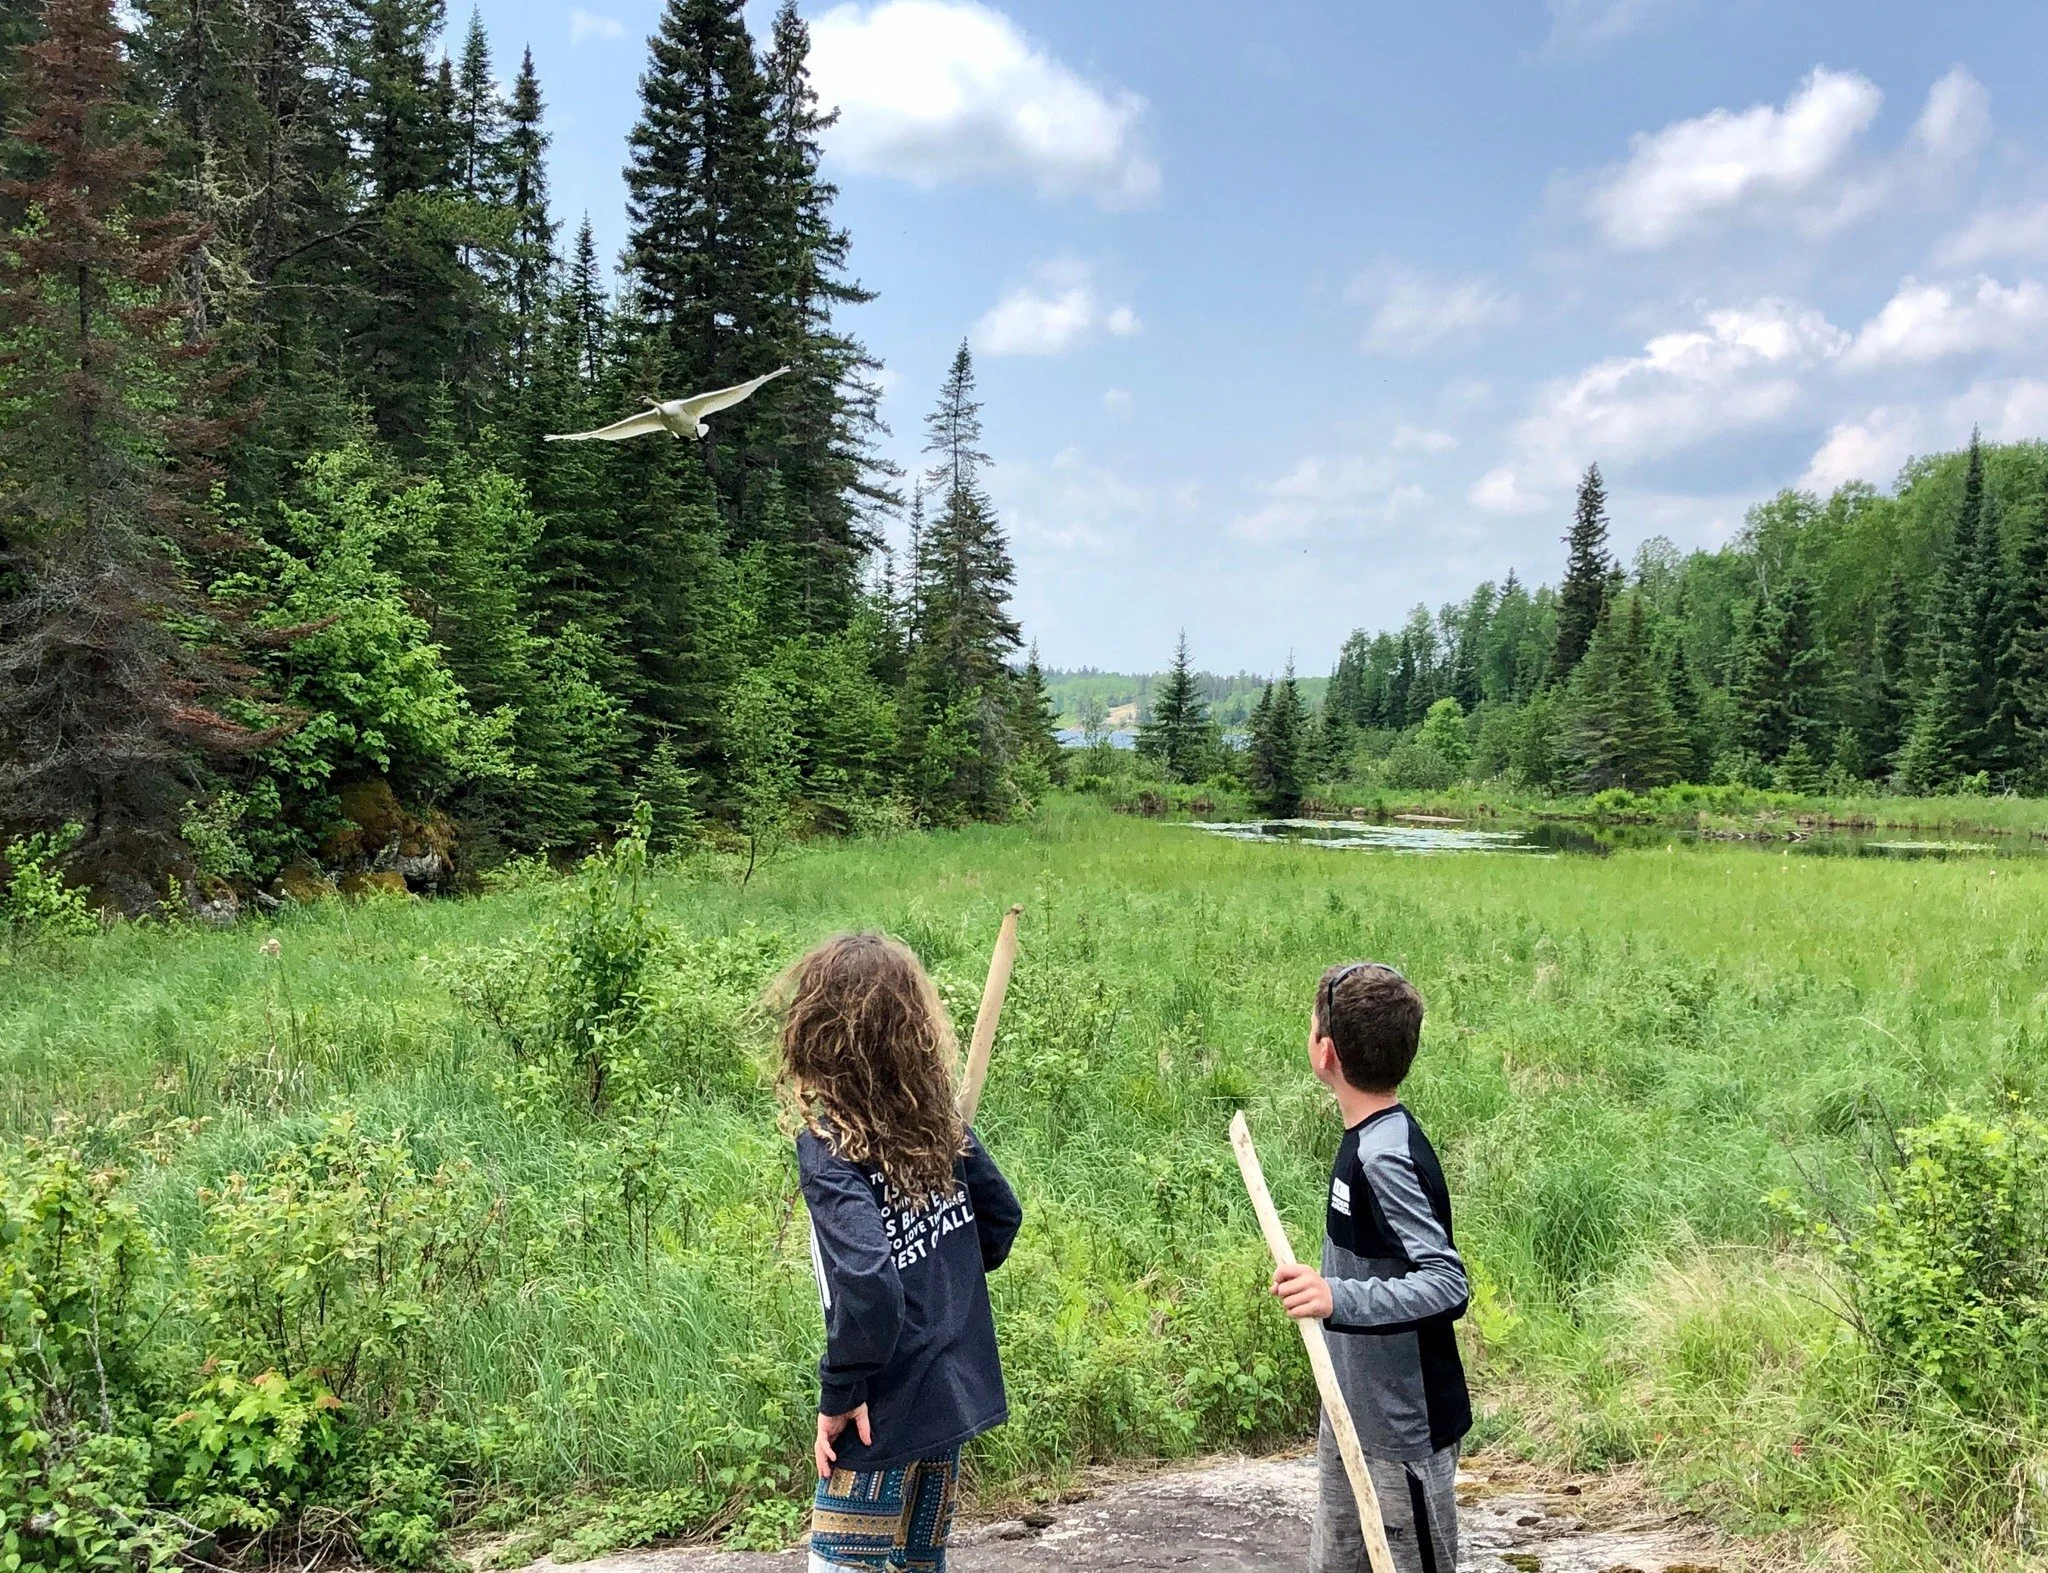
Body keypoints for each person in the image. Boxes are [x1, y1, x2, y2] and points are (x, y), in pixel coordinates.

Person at [777, 932, 1024, 1573]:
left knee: (845, 1566)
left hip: (875, 1415)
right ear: (912, 1028)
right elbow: (998, 1218)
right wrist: (946, 1281)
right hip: (945, 1399)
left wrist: (841, 1392)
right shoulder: (935, 1121)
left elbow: (868, 1283)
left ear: (817, 1032)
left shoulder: (827, 1141)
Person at [1269, 961, 1471, 1573]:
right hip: (1350, 1410)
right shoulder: (1362, 1135)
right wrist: (1326, 1285)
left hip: (1402, 1432)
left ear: (1325, 1052)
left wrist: (1336, 1297)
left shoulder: (1385, 1157)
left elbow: (1446, 1283)